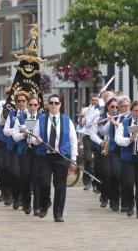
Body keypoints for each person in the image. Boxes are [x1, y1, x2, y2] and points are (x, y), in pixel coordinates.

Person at [31, 94, 78, 222]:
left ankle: (58, 213)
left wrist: (73, 159)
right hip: (45, 156)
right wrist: (37, 140)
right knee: (44, 183)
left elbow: (73, 140)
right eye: (51, 102)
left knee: (60, 186)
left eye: (56, 103)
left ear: (60, 105)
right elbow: (32, 138)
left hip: (61, 156)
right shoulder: (41, 120)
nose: (53, 105)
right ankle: (45, 203)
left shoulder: (67, 120)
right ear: (48, 105)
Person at [12, 96, 42, 215]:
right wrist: (23, 135)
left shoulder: (42, 118)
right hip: (25, 151)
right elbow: (15, 136)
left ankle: (37, 206)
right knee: (25, 177)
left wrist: (40, 139)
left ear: (38, 106)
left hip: (38, 151)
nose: (33, 107)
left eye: (35, 105)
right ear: (27, 105)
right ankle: (26, 203)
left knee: (36, 178)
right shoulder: (20, 118)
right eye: (30, 105)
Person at [3, 90, 29, 210]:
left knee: (25, 174)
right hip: (13, 147)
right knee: (15, 173)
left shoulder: (30, 115)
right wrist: (14, 131)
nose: (21, 103)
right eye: (19, 101)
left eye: (23, 101)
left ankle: (23, 198)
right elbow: (5, 130)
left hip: (27, 148)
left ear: (27, 102)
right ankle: (16, 196)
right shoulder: (12, 114)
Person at [90, 98, 118, 208]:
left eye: (116, 107)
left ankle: (113, 198)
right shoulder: (100, 117)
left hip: (116, 149)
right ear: (107, 107)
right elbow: (94, 133)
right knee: (105, 173)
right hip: (103, 149)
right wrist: (100, 142)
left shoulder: (119, 117)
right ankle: (105, 195)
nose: (115, 109)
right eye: (112, 107)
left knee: (115, 174)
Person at [80, 95, 101, 192]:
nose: (95, 102)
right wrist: (80, 118)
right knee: (87, 159)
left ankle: (96, 184)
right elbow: (81, 125)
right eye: (93, 100)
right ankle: (87, 182)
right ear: (90, 100)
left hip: (97, 136)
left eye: (96, 100)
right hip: (87, 136)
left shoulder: (101, 110)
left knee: (97, 161)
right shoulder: (85, 110)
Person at [116, 96, 131, 211]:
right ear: (119, 108)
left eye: (127, 106)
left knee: (126, 177)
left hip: (127, 150)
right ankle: (117, 199)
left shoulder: (132, 118)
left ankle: (125, 203)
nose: (126, 108)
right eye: (123, 106)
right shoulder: (116, 117)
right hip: (115, 150)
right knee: (116, 175)